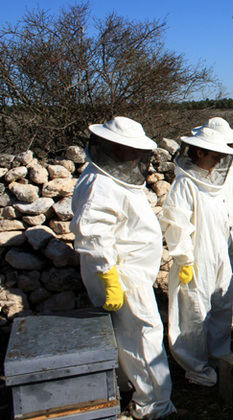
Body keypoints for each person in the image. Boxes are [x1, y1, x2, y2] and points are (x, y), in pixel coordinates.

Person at [71, 116, 175, 419]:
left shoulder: (115, 178)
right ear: (114, 149)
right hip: (123, 275)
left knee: (127, 337)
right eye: (129, 150)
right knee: (145, 336)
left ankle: (129, 387)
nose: (135, 157)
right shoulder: (101, 183)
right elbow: (92, 232)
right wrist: (108, 275)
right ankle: (153, 403)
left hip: (129, 273)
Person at [159, 126, 233, 387]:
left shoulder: (213, 183)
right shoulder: (185, 184)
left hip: (219, 253)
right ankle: (196, 367)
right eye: (214, 155)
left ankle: (219, 359)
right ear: (200, 151)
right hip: (196, 258)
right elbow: (175, 223)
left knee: (221, 306)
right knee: (195, 312)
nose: (219, 161)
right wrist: (184, 258)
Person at [192, 118, 233, 333]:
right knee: (211, 280)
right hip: (208, 230)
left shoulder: (227, 161)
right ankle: (213, 325)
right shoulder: (197, 170)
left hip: (229, 224)